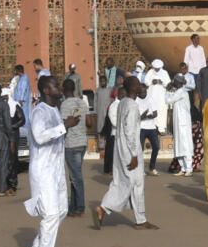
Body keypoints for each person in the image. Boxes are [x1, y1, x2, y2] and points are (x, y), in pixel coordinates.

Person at [24, 76, 77, 247]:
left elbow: (55, 134)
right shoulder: (39, 112)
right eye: (55, 85)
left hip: (56, 169)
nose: (59, 87)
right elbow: (39, 136)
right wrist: (65, 126)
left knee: (61, 210)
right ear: (46, 90)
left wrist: (66, 125)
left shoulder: (54, 110)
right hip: (43, 170)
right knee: (51, 213)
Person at [95, 76, 155, 230]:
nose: (140, 87)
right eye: (137, 85)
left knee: (127, 182)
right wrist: (134, 155)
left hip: (121, 147)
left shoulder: (123, 103)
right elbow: (129, 132)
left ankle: (140, 219)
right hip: (130, 150)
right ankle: (104, 207)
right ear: (132, 88)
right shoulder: (132, 105)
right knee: (132, 183)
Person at [61, 79, 90, 217]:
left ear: (63, 90)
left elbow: (64, 126)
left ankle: (79, 206)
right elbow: (89, 122)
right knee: (74, 175)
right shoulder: (82, 102)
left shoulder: (64, 105)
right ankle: (73, 205)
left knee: (76, 176)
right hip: (82, 142)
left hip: (71, 144)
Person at [139, 69, 164, 177]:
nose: (143, 93)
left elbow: (155, 113)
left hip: (151, 127)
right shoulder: (135, 100)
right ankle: (140, 169)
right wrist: (143, 117)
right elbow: (137, 117)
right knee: (140, 150)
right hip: (140, 128)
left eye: (144, 91)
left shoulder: (150, 98)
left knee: (156, 147)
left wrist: (147, 116)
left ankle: (152, 167)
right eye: (141, 92)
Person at [167, 75, 194, 175]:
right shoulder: (178, 92)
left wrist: (168, 91)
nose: (174, 83)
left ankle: (188, 168)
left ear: (179, 83)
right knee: (179, 144)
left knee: (185, 144)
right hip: (178, 122)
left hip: (183, 122)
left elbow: (168, 100)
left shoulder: (182, 92)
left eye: (175, 82)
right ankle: (183, 168)